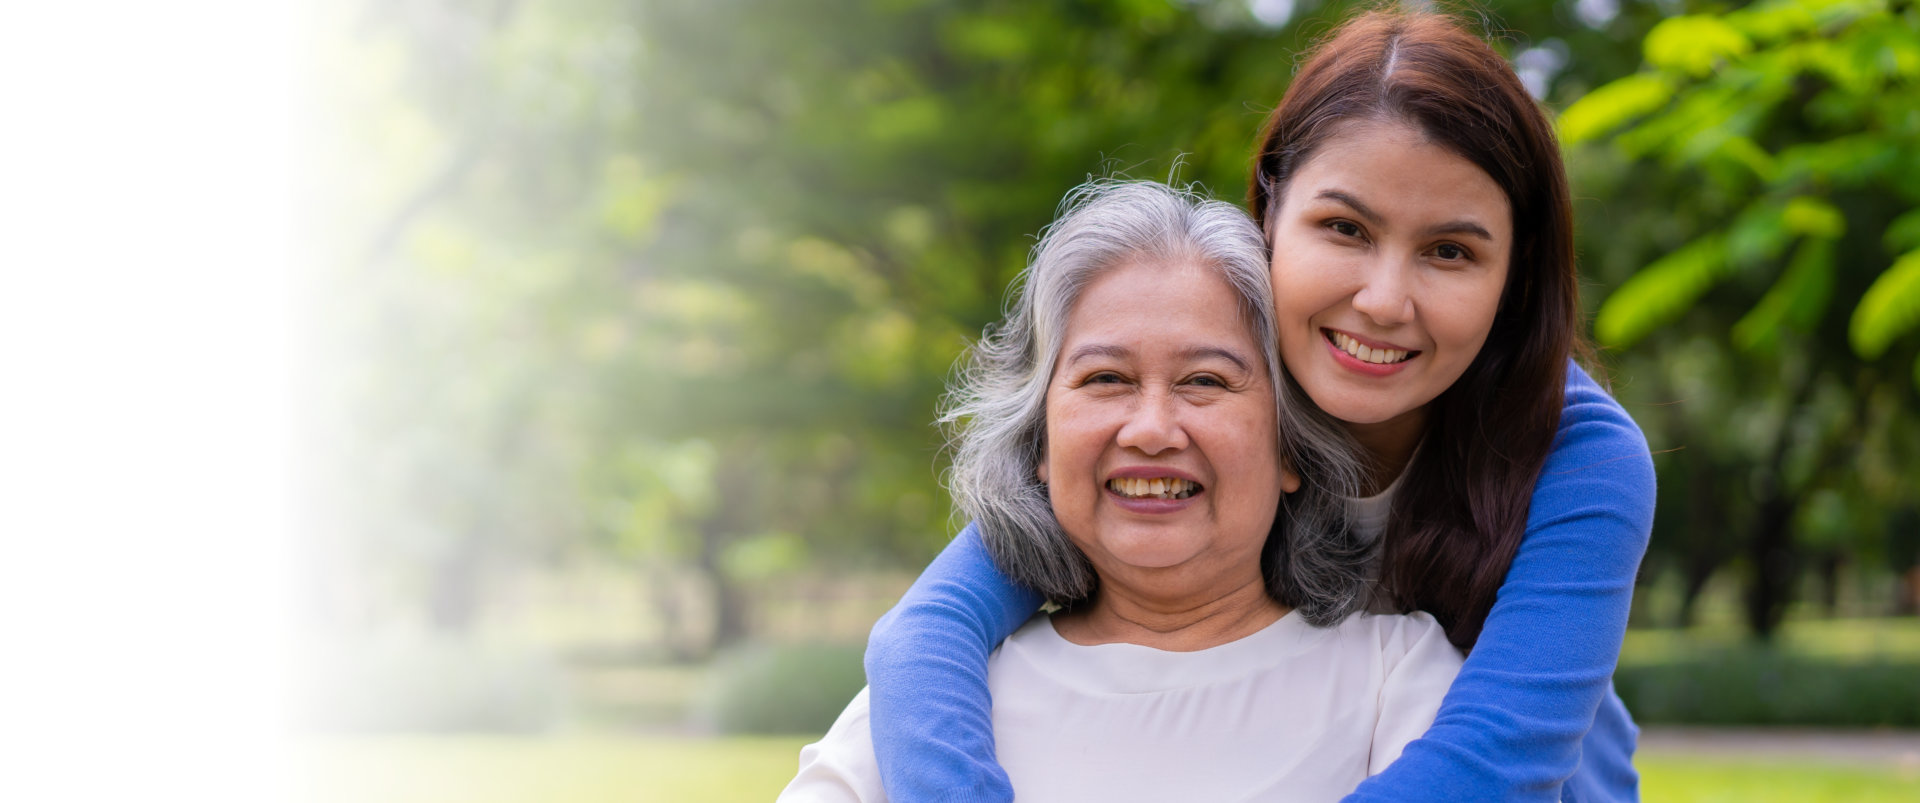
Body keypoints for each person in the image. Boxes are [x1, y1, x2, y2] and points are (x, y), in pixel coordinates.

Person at [862, 9, 1657, 803]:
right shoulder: (1186, 397)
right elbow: (923, 637)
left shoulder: (1581, 457)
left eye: (1450, 251)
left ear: (1516, 276)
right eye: (1344, 227)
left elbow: (1493, 767)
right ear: (1270, 213)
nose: (1383, 301)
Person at [781, 179, 1464, 802]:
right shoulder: (932, 700)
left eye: (1206, 381)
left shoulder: (1396, 674)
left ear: (1291, 445)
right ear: (1041, 442)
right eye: (1106, 378)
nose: (1152, 429)